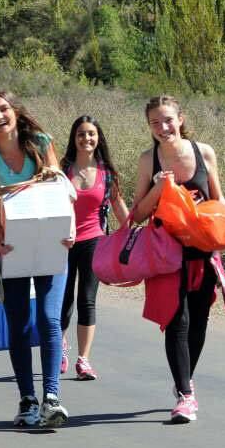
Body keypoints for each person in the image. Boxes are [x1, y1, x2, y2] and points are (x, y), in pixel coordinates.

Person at [0, 90, 74, 428]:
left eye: (3, 109)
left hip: (51, 242)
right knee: (20, 323)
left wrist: (70, 228)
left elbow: (60, 188)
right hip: (10, 247)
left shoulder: (39, 142)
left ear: (15, 111)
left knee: (49, 319)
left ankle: (51, 398)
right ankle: (27, 399)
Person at [129, 96, 225, 424]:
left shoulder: (204, 152)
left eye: (167, 120)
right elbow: (137, 214)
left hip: (203, 250)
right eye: (155, 123)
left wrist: (221, 235)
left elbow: (219, 200)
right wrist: (157, 190)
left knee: (198, 321)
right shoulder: (148, 160)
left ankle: (186, 382)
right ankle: (185, 394)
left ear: (180, 119)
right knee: (176, 321)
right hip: (167, 255)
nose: (163, 128)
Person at [59, 116, 129, 381]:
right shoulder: (62, 169)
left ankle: (83, 360)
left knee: (87, 299)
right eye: (81, 134)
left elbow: (119, 205)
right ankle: (60, 350)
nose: (86, 139)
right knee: (63, 299)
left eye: (91, 134)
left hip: (94, 240)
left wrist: (132, 234)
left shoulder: (106, 173)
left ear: (98, 138)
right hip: (63, 242)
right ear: (73, 138)